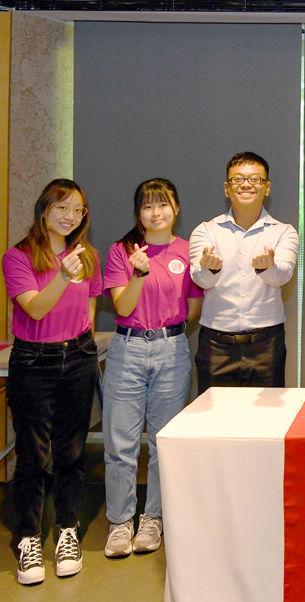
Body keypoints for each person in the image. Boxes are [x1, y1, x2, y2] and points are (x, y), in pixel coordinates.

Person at [2, 179, 102, 585]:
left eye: (78, 210)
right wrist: (62, 276)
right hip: (33, 360)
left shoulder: (88, 256)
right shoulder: (19, 257)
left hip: (77, 357)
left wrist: (84, 347)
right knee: (32, 455)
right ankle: (27, 538)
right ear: (44, 209)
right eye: (62, 207)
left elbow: (90, 309)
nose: (70, 216)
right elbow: (37, 310)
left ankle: (66, 531)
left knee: (72, 451)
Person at [102, 179, 202, 558]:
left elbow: (192, 308)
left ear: (176, 208)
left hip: (171, 349)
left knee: (163, 443)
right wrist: (138, 273)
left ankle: (153, 518)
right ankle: (119, 522)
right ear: (138, 212)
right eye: (148, 206)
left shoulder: (187, 249)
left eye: (163, 205)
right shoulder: (121, 251)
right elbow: (123, 308)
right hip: (127, 348)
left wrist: (168, 331)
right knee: (120, 444)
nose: (156, 212)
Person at [189, 152, 299, 393]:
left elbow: (283, 275)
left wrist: (266, 267)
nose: (246, 184)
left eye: (255, 179)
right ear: (227, 188)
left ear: (267, 187)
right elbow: (201, 279)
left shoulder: (284, 232)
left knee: (266, 421)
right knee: (215, 423)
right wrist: (210, 268)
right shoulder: (206, 231)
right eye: (238, 179)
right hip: (216, 345)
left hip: (267, 345)